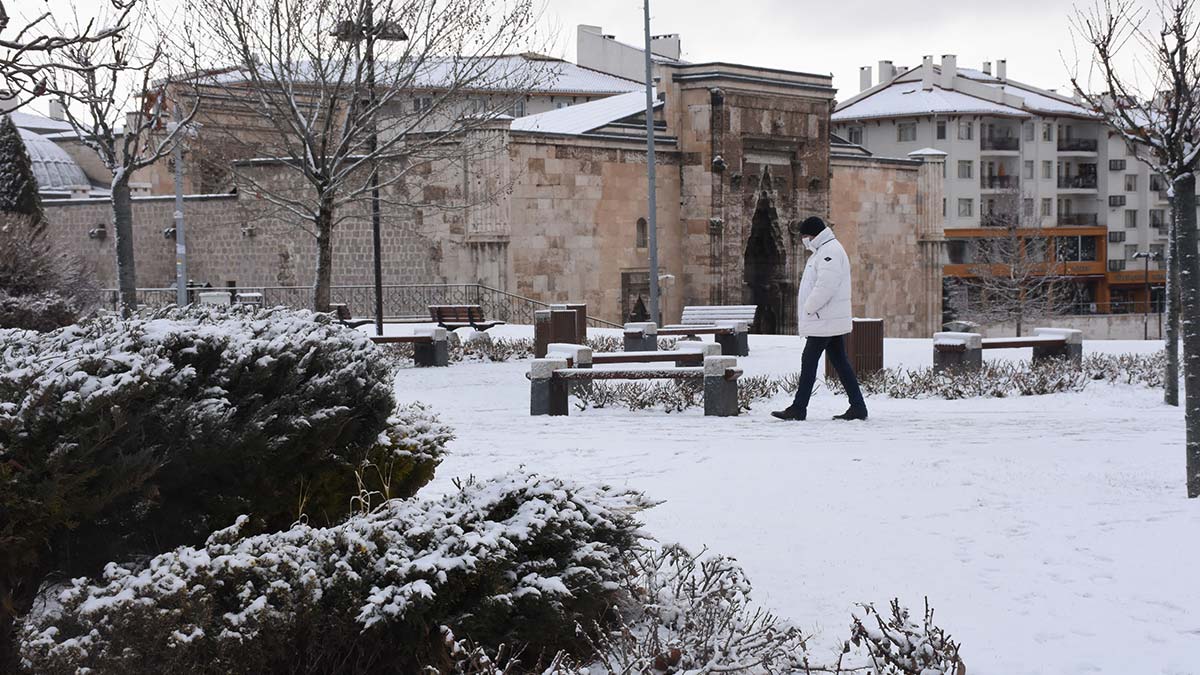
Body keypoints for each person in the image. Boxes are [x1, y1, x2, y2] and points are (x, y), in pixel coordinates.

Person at [772, 216, 868, 421]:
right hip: (826, 319)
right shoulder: (824, 250)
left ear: (813, 235)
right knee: (840, 363)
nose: (803, 240)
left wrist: (809, 307)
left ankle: (799, 408)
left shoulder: (829, 252)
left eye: (805, 236)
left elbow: (826, 286)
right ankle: (858, 407)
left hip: (823, 318)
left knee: (809, 361)